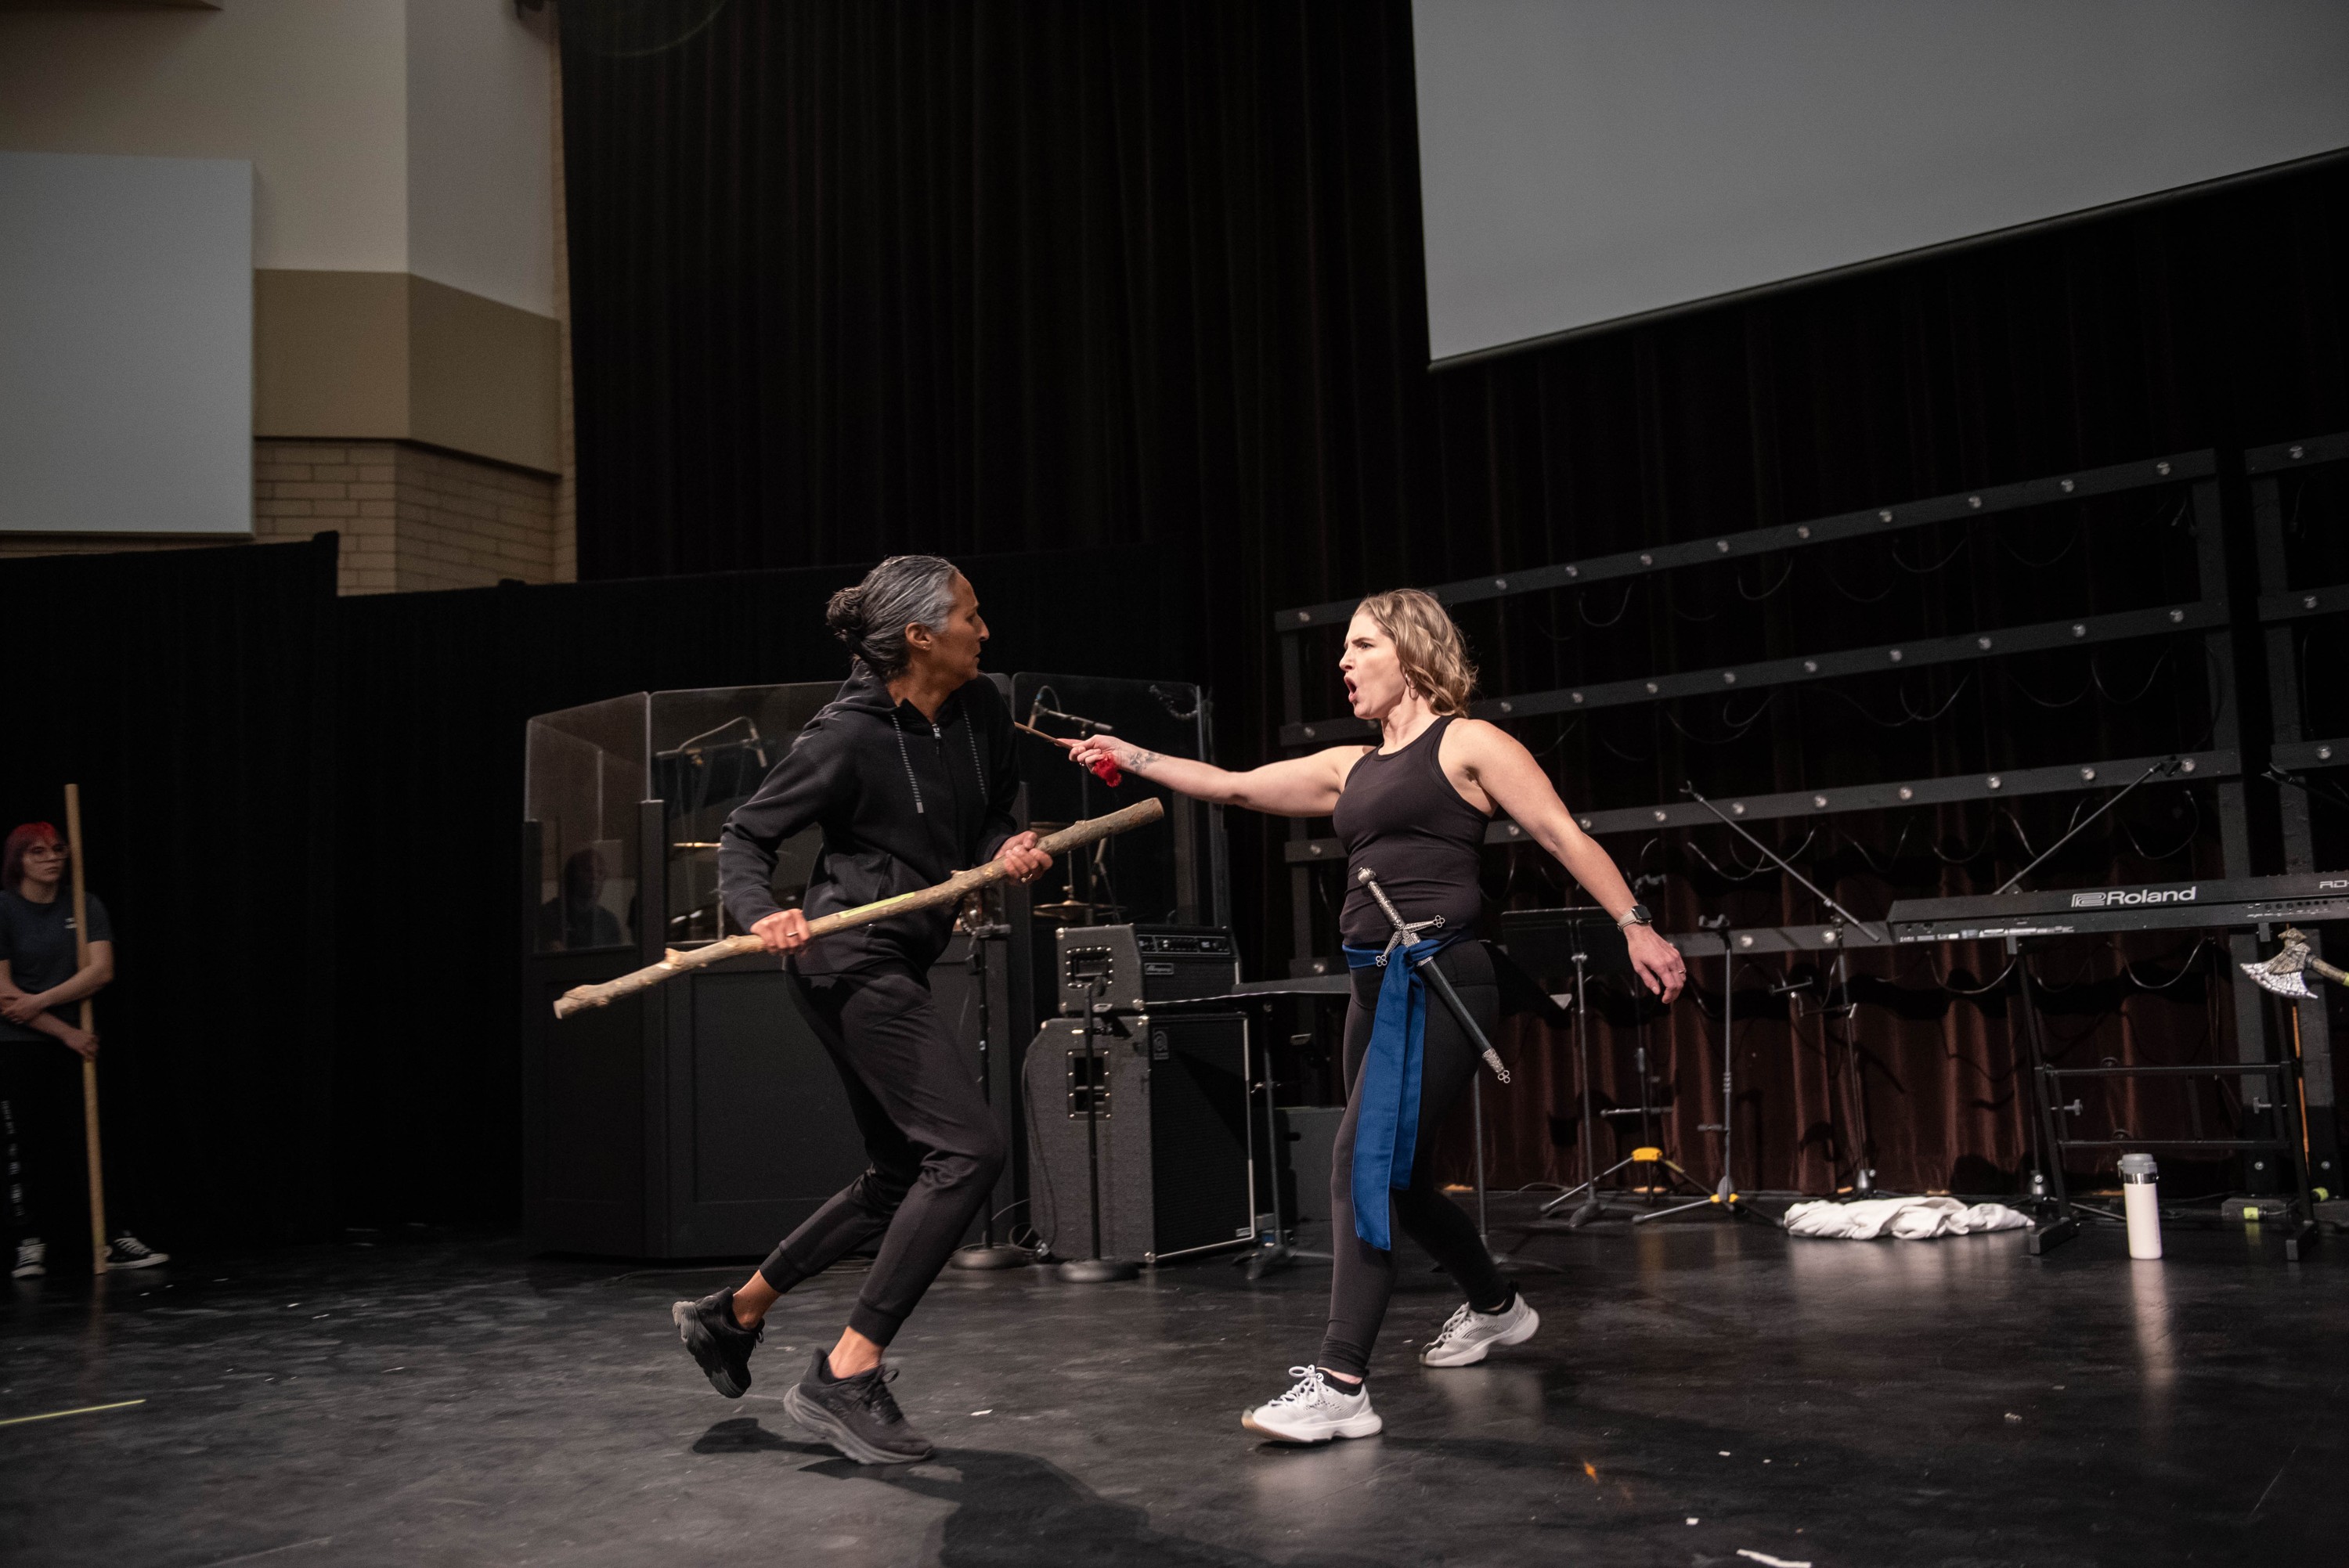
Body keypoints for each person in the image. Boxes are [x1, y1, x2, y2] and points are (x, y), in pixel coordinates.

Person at [1070, 588, 1687, 1444]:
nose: (1344, 661)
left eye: (1361, 644)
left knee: (1357, 1163)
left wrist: (1635, 923)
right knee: (1400, 1180)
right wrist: (1128, 753)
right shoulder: (1351, 766)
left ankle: (1342, 1383)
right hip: (1371, 988)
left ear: (1411, 649)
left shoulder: (1469, 743)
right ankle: (1497, 1306)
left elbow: (1559, 833)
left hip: (1439, 978)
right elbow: (1234, 787)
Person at [669, 556, 1051, 1465]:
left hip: (901, 956)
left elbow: (994, 811)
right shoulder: (843, 736)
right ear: (920, 635)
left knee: (899, 1173)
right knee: (968, 1150)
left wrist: (1009, 846)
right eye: (970, 615)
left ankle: (733, 1315)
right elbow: (746, 835)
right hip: (847, 957)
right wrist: (758, 913)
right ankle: (847, 1369)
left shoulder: (982, 706)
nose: (984, 629)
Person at [0, 822, 168, 1277]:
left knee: (92, 1139)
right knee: (25, 1145)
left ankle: (112, 1236)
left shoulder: (84, 905)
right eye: (38, 852)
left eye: (58, 849)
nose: (52, 858)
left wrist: (40, 1001)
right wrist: (62, 1030)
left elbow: (100, 972)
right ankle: (29, 1241)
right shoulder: (5, 909)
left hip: (78, 1041)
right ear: (18, 860)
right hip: (21, 1044)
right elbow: (4, 995)